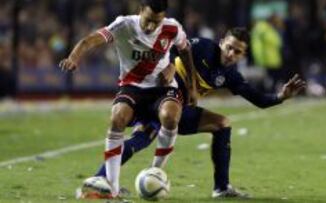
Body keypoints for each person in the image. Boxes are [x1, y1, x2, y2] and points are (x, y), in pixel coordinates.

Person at [92, 27, 306, 199]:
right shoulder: (203, 47)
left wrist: (281, 97)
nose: (231, 54)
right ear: (221, 42)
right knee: (143, 137)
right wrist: (170, 68)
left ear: (243, 54)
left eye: (237, 51)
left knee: (220, 124)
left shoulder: (231, 76)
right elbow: (173, 46)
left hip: (179, 109)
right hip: (159, 97)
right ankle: (101, 181)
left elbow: (258, 99)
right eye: (229, 47)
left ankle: (98, 181)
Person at [59, 0, 197, 199]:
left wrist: (191, 86)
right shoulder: (124, 25)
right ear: (140, 11)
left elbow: (185, 50)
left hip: (162, 89)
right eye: (148, 20)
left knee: (170, 116)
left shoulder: (172, 27)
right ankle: (112, 187)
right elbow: (90, 40)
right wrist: (74, 57)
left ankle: (155, 173)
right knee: (117, 119)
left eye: (156, 23)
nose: (151, 27)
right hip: (132, 87)